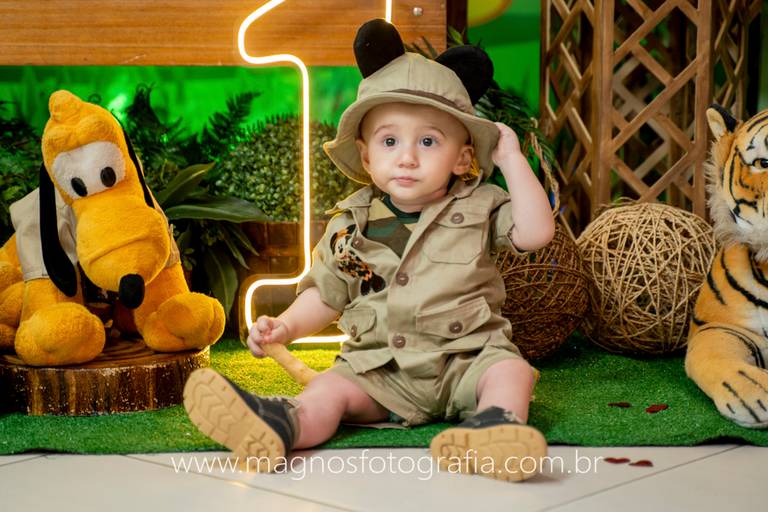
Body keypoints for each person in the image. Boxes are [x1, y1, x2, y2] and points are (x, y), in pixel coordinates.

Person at [184, 19, 554, 483]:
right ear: (366, 156)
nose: (407, 157)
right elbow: (326, 295)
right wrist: (287, 325)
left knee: (511, 372)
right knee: (330, 391)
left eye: (428, 141)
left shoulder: (480, 205)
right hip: (380, 369)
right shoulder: (349, 224)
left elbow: (536, 233)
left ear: (462, 157)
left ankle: (496, 427)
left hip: (467, 357)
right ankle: (281, 424)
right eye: (390, 141)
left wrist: (511, 160)